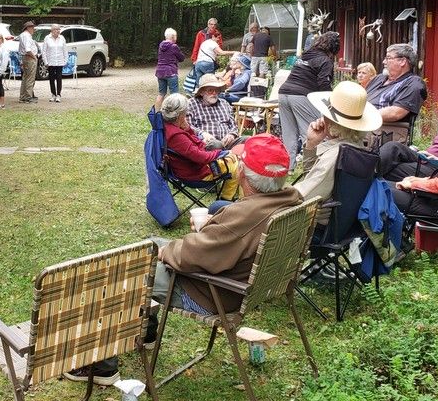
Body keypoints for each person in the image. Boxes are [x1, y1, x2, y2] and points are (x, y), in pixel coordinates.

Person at [65, 134, 300, 385]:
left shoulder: (243, 217)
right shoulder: (290, 201)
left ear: (242, 171)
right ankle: (146, 333)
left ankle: (102, 367)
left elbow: (189, 256)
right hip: (240, 282)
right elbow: (227, 241)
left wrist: (171, 251)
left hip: (210, 291)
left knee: (123, 269)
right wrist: (213, 229)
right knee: (149, 245)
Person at [292, 80, 382, 224]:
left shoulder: (335, 156)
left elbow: (303, 196)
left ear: (329, 120)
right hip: (341, 227)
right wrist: (311, 144)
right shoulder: (359, 149)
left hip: (313, 226)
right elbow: (313, 179)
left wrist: (273, 196)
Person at [277, 31, 340, 166]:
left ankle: (288, 167)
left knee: (289, 134)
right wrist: (332, 102)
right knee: (311, 132)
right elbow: (324, 83)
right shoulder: (325, 60)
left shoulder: (306, 55)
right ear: (333, 49)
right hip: (301, 95)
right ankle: (312, 167)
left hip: (283, 93)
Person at [161, 93, 240, 201]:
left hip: (190, 168)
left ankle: (227, 198)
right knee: (235, 162)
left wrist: (188, 128)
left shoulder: (169, 127)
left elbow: (195, 143)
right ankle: (226, 199)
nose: (186, 114)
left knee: (233, 158)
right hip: (195, 174)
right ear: (180, 115)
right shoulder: (176, 136)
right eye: (185, 112)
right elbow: (200, 157)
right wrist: (222, 153)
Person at [365, 43, 427, 143]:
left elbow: (396, 113)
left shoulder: (413, 83)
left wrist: (362, 114)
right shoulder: (379, 78)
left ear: (402, 61)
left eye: (388, 58)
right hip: (362, 130)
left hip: (383, 137)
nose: (384, 62)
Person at [187, 74, 245, 150]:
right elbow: (188, 126)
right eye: (210, 90)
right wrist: (202, 133)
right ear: (201, 92)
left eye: (216, 90)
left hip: (228, 142)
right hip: (206, 143)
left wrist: (232, 134)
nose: (214, 93)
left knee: (249, 140)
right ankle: (225, 158)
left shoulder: (224, 103)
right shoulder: (191, 104)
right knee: (216, 145)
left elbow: (233, 125)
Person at [155, 27, 185, 111]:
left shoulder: (161, 45)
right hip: (170, 72)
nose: (176, 38)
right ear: (172, 37)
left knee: (161, 93)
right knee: (174, 95)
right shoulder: (174, 46)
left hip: (160, 72)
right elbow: (181, 58)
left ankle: (156, 113)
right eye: (175, 36)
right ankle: (173, 113)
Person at [41, 24, 68, 102]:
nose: (58, 31)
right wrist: (45, 62)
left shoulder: (62, 38)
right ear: (52, 30)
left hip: (59, 61)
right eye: (56, 29)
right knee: (51, 78)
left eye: (59, 29)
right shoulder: (47, 38)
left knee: (59, 78)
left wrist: (65, 60)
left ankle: (59, 94)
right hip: (51, 62)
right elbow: (44, 51)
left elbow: (65, 50)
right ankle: (53, 94)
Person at [18, 21, 39, 103]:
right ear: (28, 28)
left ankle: (23, 96)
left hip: (25, 58)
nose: (33, 29)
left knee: (25, 77)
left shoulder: (23, 35)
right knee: (30, 78)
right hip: (29, 58)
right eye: (32, 27)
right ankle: (28, 97)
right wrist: (34, 57)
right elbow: (28, 49)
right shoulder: (27, 36)